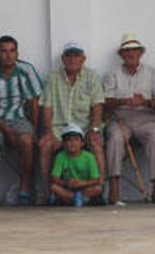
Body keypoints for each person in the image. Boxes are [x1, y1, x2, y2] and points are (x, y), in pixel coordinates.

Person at [0, 35, 42, 207]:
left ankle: (25, 190)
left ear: (17, 53)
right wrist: (7, 130)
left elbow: (34, 102)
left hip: (19, 118)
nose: (8, 55)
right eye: (3, 51)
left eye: (12, 51)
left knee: (27, 140)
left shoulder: (26, 70)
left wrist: (35, 129)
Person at [104, 33, 155, 205]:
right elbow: (105, 101)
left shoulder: (153, 73)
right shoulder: (112, 74)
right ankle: (114, 189)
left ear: (141, 53)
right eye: (127, 51)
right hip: (120, 118)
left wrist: (145, 102)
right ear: (121, 55)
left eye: (135, 51)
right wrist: (125, 101)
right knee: (115, 137)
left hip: (147, 117)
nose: (131, 54)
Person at [38, 42, 105, 205]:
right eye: (69, 55)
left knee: (96, 143)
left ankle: (100, 190)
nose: (72, 59)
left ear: (83, 58)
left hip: (84, 129)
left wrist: (94, 129)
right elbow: (47, 107)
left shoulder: (92, 76)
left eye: (76, 55)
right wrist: (48, 132)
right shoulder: (53, 78)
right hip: (59, 129)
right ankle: (48, 194)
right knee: (45, 144)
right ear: (62, 58)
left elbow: (97, 105)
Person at [49, 124, 103, 207]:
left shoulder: (89, 156)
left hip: (84, 187)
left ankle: (74, 199)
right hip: (68, 188)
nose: (72, 143)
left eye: (76, 140)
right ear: (63, 143)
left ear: (82, 143)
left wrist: (82, 183)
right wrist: (66, 183)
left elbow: (96, 179)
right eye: (69, 140)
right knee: (54, 187)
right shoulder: (61, 156)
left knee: (98, 189)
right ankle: (77, 198)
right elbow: (55, 178)